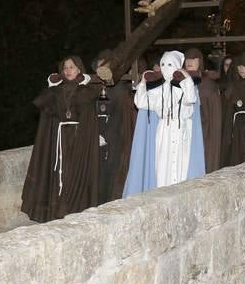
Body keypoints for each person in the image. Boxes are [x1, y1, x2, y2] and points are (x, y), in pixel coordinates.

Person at [21, 56, 99, 222]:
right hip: (60, 137)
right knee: (59, 173)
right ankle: (57, 209)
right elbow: (44, 107)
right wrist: (51, 86)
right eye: (65, 68)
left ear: (79, 69)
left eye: (72, 67)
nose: (68, 70)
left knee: (74, 171)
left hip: (79, 137)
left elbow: (89, 117)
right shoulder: (57, 90)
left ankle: (74, 208)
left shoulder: (86, 91)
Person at [123, 51, 204, 194]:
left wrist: (185, 77)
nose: (166, 68)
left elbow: (191, 99)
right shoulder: (158, 88)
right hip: (164, 131)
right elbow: (141, 102)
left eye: (170, 64)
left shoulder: (186, 86)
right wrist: (143, 83)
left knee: (181, 165)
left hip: (181, 131)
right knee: (162, 166)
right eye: (163, 64)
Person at [92, 51, 136, 203]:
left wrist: (107, 136)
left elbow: (121, 117)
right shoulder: (94, 87)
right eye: (99, 66)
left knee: (113, 171)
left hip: (115, 138)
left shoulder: (119, 89)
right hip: (97, 137)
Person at [184, 48, 222, 173]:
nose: (189, 62)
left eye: (194, 59)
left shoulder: (207, 84)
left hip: (203, 132)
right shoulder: (180, 81)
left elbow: (213, 117)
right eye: (188, 59)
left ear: (200, 61)